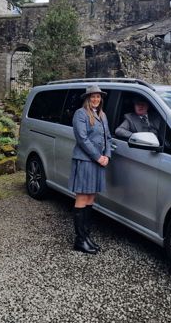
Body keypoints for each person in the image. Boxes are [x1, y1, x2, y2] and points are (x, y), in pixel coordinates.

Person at [69, 84, 112, 254]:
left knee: (91, 197)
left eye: (98, 97)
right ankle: (79, 240)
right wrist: (98, 157)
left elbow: (108, 137)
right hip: (86, 161)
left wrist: (107, 155)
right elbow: (82, 139)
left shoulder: (102, 115)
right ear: (87, 98)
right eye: (93, 96)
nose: (96, 99)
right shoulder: (80, 114)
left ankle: (86, 236)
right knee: (82, 197)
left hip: (99, 161)